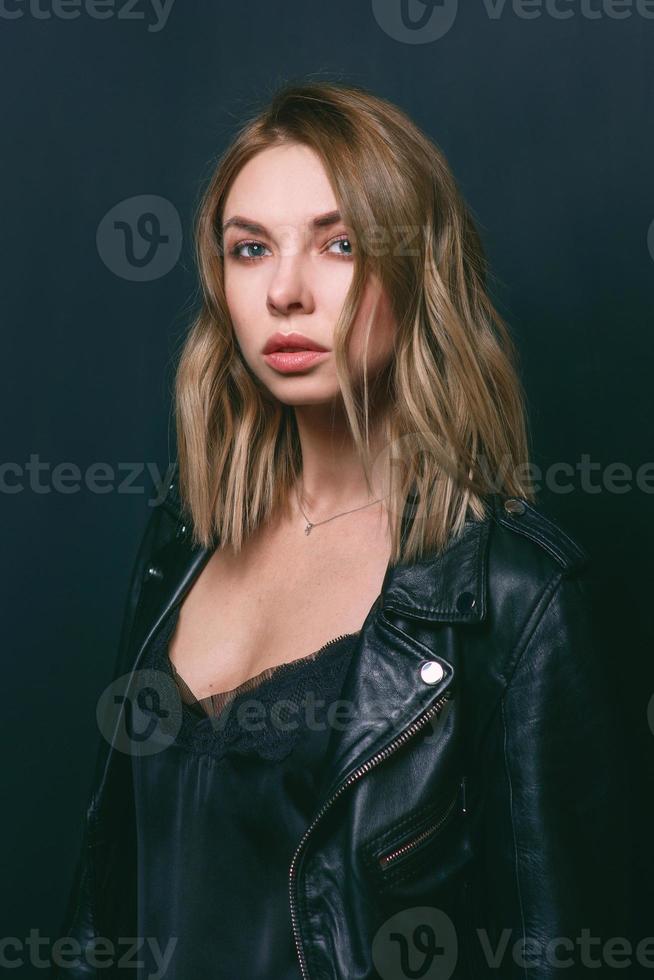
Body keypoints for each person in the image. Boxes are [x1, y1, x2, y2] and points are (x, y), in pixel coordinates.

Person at [52, 81, 630, 980]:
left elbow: (570, 949)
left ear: (414, 268)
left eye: (340, 243)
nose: (285, 291)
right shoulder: (180, 541)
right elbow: (107, 903)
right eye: (250, 250)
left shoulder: (516, 599)